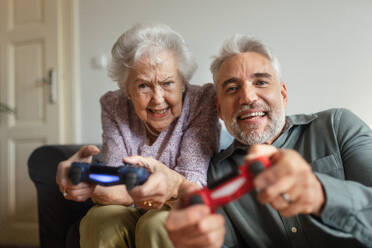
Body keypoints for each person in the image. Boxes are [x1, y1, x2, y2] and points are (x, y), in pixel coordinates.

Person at [165, 34, 372, 248]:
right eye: (233, 88)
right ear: (219, 108)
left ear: (283, 94)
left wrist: (320, 193)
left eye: (261, 82)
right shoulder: (215, 174)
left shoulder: (337, 126)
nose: (247, 97)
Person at [56, 23, 220, 248]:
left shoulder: (202, 101)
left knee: (158, 223)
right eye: (144, 86)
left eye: (167, 83)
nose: (158, 98)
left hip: (180, 203)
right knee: (100, 219)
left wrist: (124, 188)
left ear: (183, 82)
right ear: (127, 89)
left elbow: (192, 185)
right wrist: (89, 183)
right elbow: (115, 176)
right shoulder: (114, 105)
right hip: (130, 206)